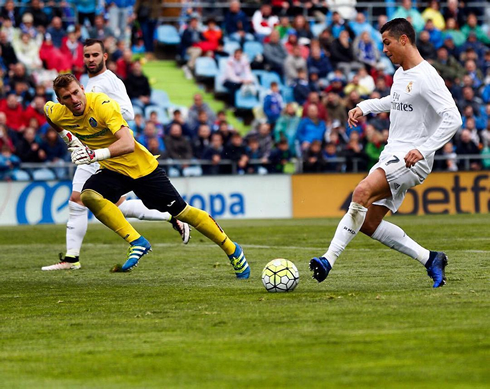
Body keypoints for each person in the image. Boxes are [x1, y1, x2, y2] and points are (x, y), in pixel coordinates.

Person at [44, 73, 250, 278]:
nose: (74, 100)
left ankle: (233, 250)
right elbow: (48, 113)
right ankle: (137, 242)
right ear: (60, 100)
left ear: (82, 87)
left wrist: (94, 154)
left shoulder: (102, 105)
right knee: (88, 195)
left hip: (142, 168)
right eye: (67, 97)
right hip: (113, 170)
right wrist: (68, 139)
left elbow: (126, 143)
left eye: (76, 93)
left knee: (183, 212)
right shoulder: (59, 112)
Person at [309, 18, 462, 289]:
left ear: (404, 40)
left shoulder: (427, 77)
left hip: (410, 158)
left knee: (360, 193)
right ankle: (431, 259)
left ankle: (327, 260)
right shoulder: (402, 73)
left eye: (387, 42)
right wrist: (365, 106)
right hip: (393, 152)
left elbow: (453, 118)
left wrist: (423, 149)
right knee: (369, 223)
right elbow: (398, 101)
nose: (384, 49)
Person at [42, 39, 191, 271]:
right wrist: (69, 138)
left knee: (81, 199)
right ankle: (72, 258)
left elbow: (128, 112)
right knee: (104, 203)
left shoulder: (110, 81)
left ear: (105, 57)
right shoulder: (84, 85)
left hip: (109, 148)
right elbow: (51, 113)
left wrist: (100, 110)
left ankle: (73, 258)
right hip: (90, 149)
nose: (90, 59)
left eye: (95, 55)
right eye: (87, 55)